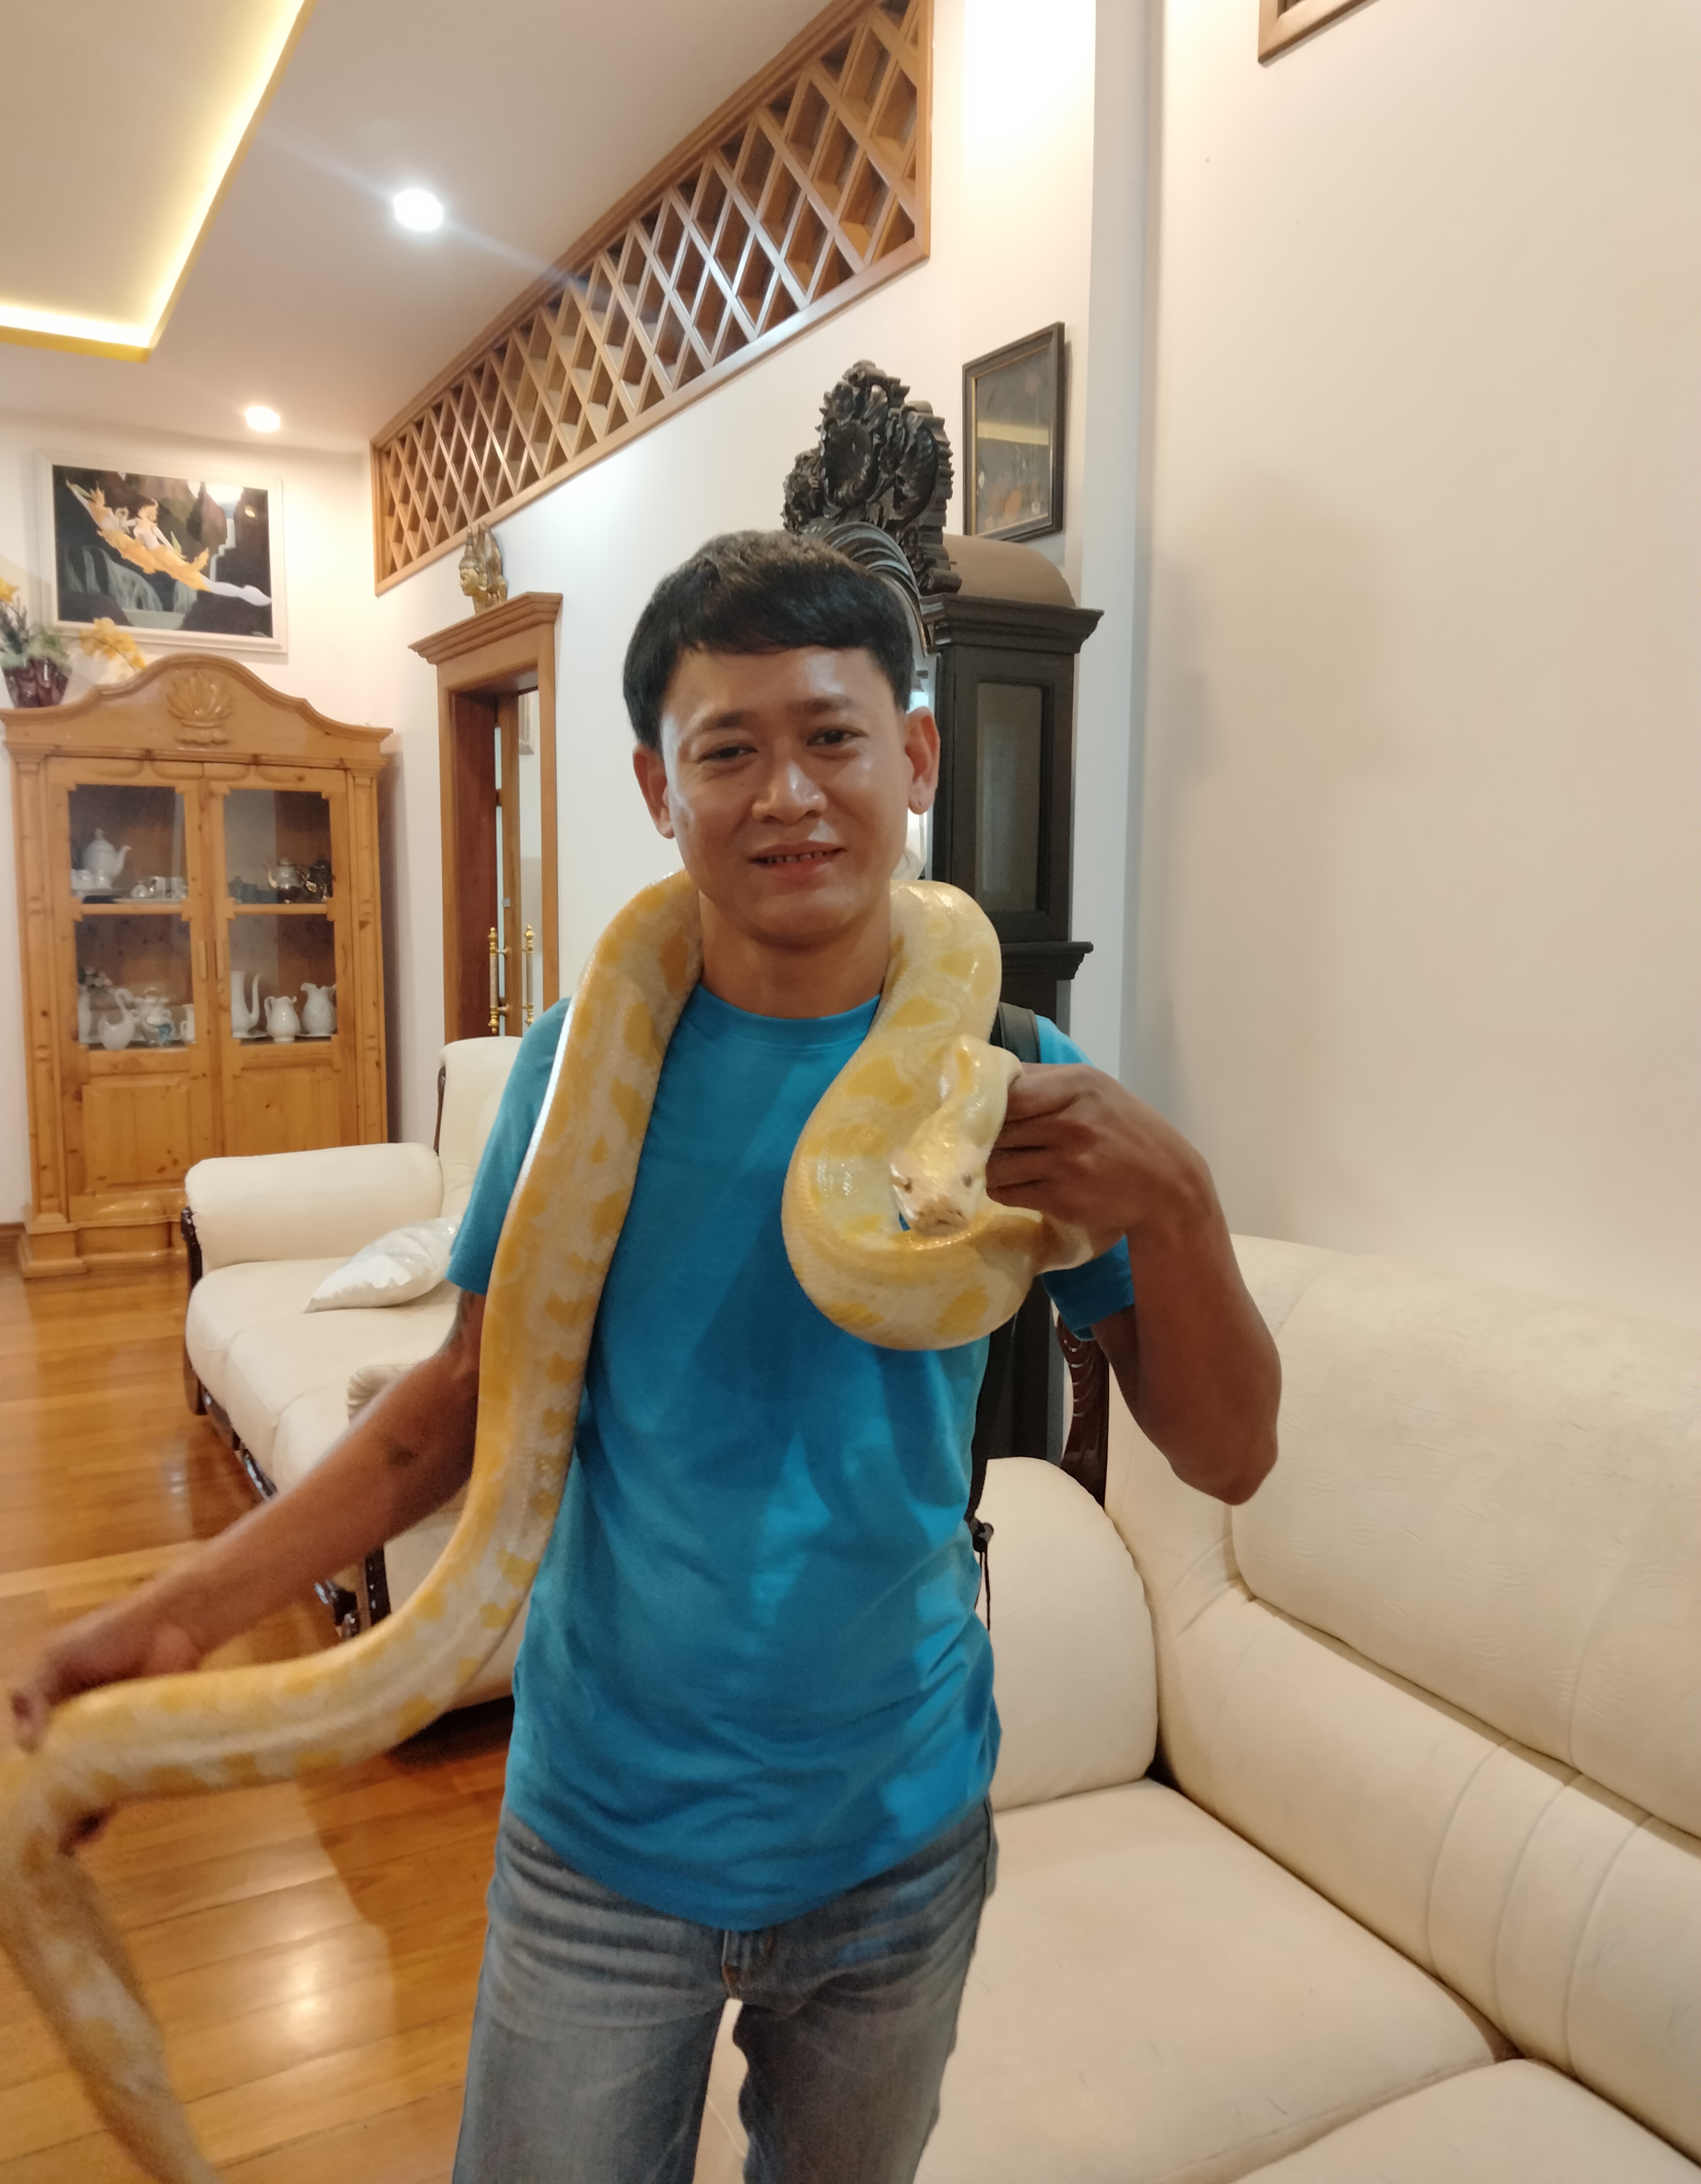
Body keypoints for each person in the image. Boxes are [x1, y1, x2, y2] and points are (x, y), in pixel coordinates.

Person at [12, 532, 1279, 2184]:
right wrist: (173, 1619)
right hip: (599, 1844)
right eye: (726, 750)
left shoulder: (1012, 1079)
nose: (787, 794)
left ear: (913, 756)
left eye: (831, 737)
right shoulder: (578, 1063)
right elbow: (454, 1408)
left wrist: (1180, 1203)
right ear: (654, 786)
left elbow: (1228, 1456)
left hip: (896, 1833)